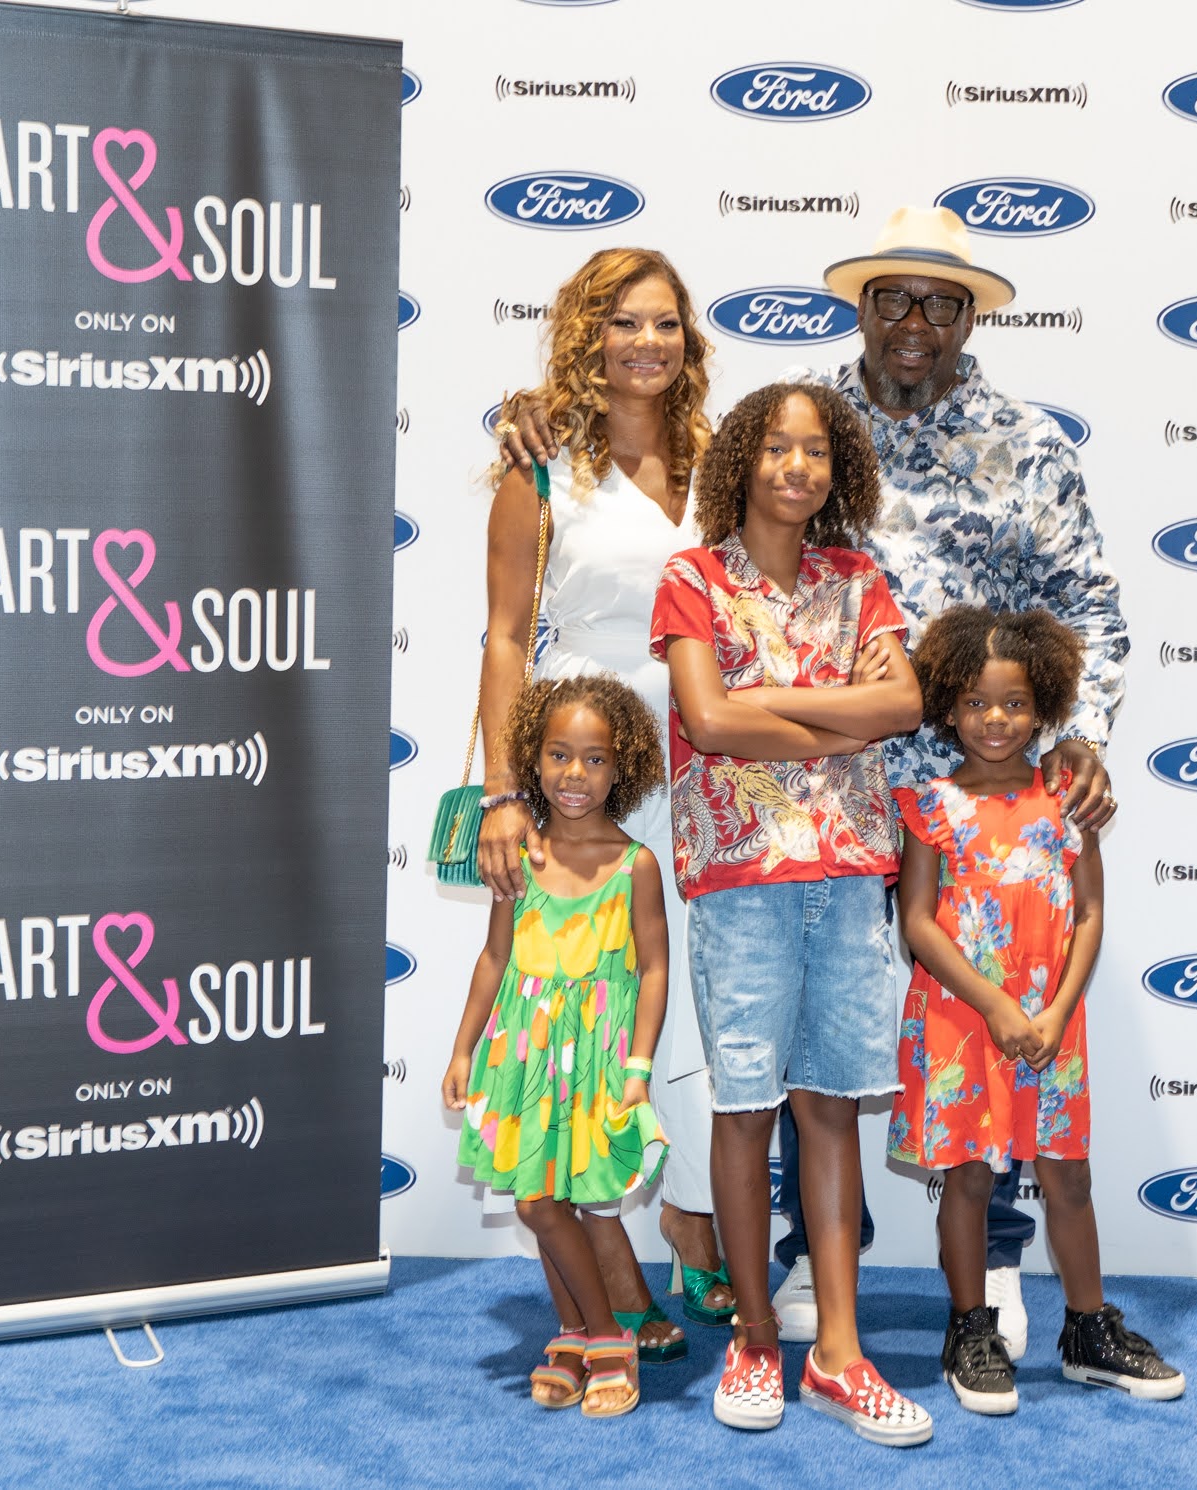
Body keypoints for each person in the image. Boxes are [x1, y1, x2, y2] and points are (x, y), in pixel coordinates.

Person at [495, 210, 1130, 1355]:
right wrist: (531, 412)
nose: (914, 320)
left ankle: (989, 1268)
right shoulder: (794, 424)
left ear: (969, 315)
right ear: (861, 305)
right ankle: (794, 1259)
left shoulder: (1027, 443)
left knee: (982, 1026)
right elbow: (649, 450)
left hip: (973, 799)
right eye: (892, 296)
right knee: (779, 1050)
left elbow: (1087, 603)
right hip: (794, 813)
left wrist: (1078, 733)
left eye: (940, 300)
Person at [650, 383, 931, 1446]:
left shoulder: (858, 580)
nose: (796, 466)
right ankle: (757, 1334)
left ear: (837, 468)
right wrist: (837, 720)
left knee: (830, 1106)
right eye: (775, 446)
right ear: (741, 459)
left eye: (815, 450)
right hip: (740, 882)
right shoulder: (691, 578)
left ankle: (839, 1353)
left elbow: (901, 705)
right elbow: (707, 721)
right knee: (743, 1107)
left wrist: (767, 703)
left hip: (849, 875)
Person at [476, 247, 733, 1349]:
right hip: (589, 769)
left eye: (665, 322)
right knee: (592, 1001)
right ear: (588, 336)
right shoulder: (542, 468)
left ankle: (693, 1214)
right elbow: (502, 636)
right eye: (623, 322)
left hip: (714, 766)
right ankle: (627, 1253)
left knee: (694, 999)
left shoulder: (723, 462)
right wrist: (503, 791)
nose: (646, 342)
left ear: (689, 340)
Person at [891, 608, 1183, 1413]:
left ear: (1044, 705)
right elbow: (918, 922)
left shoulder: (1067, 801)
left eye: (1015, 704)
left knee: (1069, 1176)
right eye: (978, 703)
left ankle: (1088, 1332)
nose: (996, 720)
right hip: (963, 1022)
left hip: (1054, 1025)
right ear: (949, 708)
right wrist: (994, 1005)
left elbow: (1089, 913)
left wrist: (1054, 1013)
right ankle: (969, 1330)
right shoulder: (929, 805)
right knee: (969, 1177)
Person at [442, 674, 674, 1418]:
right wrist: (463, 1050)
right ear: (533, 760)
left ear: (623, 767)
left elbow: (655, 968)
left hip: (597, 1060)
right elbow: (494, 958)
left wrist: (639, 1068)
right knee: (541, 1199)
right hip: (525, 1058)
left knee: (551, 1202)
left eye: (596, 759)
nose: (576, 774)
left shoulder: (636, 865)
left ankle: (602, 1337)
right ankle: (580, 1331)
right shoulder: (523, 857)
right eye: (559, 755)